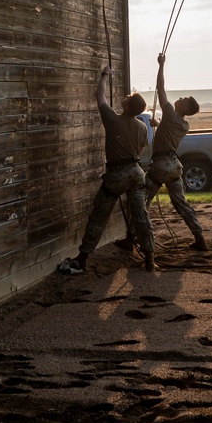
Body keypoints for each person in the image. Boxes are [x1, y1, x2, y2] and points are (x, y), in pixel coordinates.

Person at [58, 65, 155, 275]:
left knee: (99, 216)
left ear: (128, 106)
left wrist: (104, 75)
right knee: (141, 215)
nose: (126, 97)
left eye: (128, 97)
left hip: (117, 175)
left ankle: (82, 259)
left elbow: (100, 95)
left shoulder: (113, 120)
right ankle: (149, 258)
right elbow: (141, 149)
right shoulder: (142, 126)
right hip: (136, 173)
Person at [119, 54, 208, 254]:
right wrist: (159, 126)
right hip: (174, 166)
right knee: (181, 203)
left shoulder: (169, 113)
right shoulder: (184, 124)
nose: (180, 98)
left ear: (184, 107)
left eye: (183, 99)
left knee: (142, 200)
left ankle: (130, 239)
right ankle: (199, 237)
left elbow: (160, 88)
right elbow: (169, 133)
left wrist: (161, 65)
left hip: (160, 166)